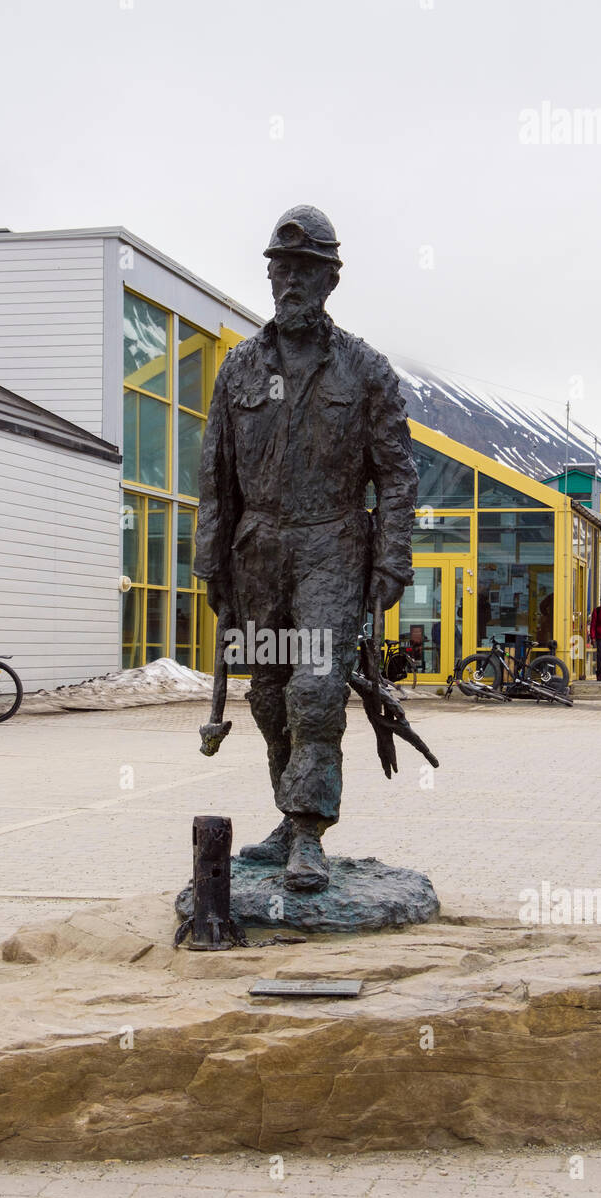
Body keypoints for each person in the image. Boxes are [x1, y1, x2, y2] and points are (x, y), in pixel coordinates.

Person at [194, 205, 417, 891]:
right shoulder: (237, 370)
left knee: (316, 689)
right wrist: (210, 564)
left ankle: (312, 831)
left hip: (332, 546)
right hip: (257, 549)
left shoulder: (366, 370)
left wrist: (391, 558)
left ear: (330, 280)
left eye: (303, 271)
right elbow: (215, 476)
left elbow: (397, 474)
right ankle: (291, 820)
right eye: (279, 269)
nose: (288, 282)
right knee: (267, 692)